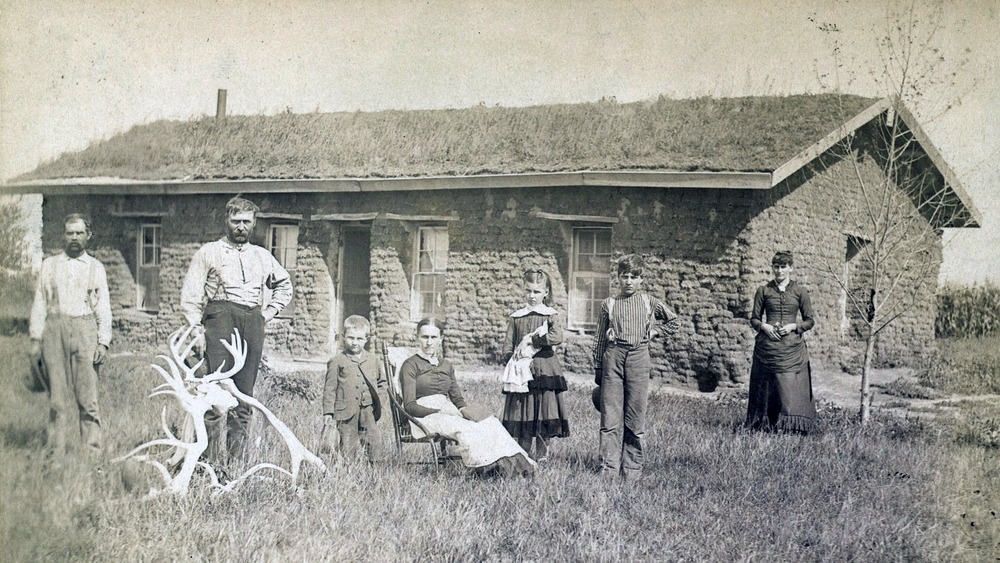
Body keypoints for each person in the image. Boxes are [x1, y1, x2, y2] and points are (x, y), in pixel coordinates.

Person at [180, 196, 293, 467]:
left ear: (254, 224)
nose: (241, 227)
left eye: (246, 222)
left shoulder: (262, 256)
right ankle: (206, 462)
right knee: (214, 393)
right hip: (219, 321)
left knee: (243, 394)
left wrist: (266, 314)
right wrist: (196, 330)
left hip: (251, 323)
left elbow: (285, 286)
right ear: (226, 221)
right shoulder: (209, 252)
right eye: (235, 221)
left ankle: (235, 463)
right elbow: (192, 295)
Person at [401, 317, 535, 477]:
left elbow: (457, 399)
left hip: (448, 411)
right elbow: (409, 406)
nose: (429, 342)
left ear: (441, 339)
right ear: (417, 337)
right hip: (423, 417)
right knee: (466, 428)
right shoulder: (410, 365)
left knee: (490, 422)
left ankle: (519, 467)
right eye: (424, 337)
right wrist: (441, 410)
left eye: (433, 337)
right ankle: (480, 469)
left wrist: (469, 412)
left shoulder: (446, 365)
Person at [29, 213, 112, 456]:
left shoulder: (96, 268)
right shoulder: (50, 265)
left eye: (79, 233)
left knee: (88, 399)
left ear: (88, 236)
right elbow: (40, 303)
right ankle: (56, 453)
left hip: (86, 330)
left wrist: (103, 342)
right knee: (57, 400)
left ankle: (92, 453)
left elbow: (103, 307)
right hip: (55, 331)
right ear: (64, 235)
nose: (74, 238)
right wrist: (35, 338)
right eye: (69, 233)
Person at [592, 254, 680, 481]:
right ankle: (608, 470)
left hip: (639, 358)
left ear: (642, 279)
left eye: (634, 276)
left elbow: (674, 321)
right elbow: (600, 338)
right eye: (624, 276)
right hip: (613, 357)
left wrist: (654, 331)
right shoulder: (608, 304)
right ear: (618, 278)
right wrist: (598, 368)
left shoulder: (649, 302)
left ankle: (631, 471)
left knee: (635, 417)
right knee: (610, 418)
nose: (629, 281)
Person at [500, 269, 570, 461]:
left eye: (537, 292)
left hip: (543, 368)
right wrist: (509, 360)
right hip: (522, 370)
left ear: (546, 292)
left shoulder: (550, 315)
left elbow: (557, 336)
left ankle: (542, 455)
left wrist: (534, 341)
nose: (532, 296)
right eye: (528, 291)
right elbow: (508, 342)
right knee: (523, 409)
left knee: (543, 409)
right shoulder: (517, 316)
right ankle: (523, 454)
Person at [744, 251, 817, 434]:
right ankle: (764, 425)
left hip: (792, 347)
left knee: (790, 388)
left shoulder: (800, 292)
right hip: (768, 347)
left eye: (783, 266)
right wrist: (765, 327)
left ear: (791, 268)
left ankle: (792, 428)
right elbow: (754, 319)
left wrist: (794, 326)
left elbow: (809, 320)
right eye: (776, 266)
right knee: (767, 387)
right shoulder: (764, 291)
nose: (779, 271)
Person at [321, 315, 386, 462]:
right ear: (343, 336)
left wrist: (378, 400)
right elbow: (329, 388)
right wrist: (328, 412)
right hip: (346, 411)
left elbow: (382, 382)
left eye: (359, 339)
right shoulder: (337, 361)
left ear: (366, 339)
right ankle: (348, 471)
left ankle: (374, 470)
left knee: (374, 440)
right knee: (348, 444)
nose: (354, 342)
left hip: (368, 409)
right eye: (351, 338)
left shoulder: (373, 360)